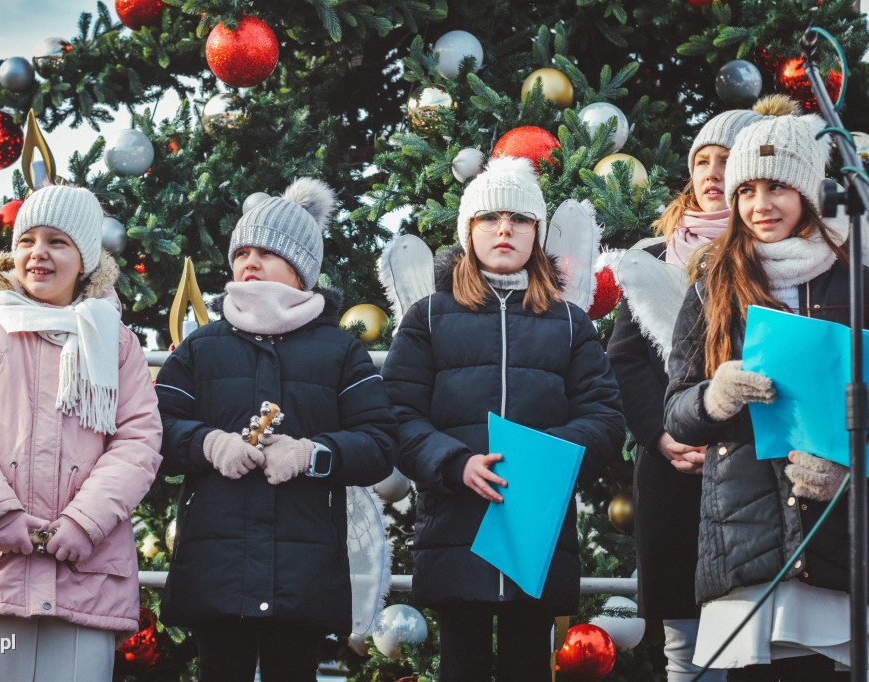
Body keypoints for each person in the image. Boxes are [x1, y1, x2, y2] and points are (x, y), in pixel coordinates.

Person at [380, 157, 625, 681]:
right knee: (461, 664)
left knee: (528, 665)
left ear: (537, 232)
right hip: (456, 524)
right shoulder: (428, 317)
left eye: (519, 218)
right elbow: (397, 415)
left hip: (536, 529)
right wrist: (454, 462)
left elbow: (605, 419)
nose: (505, 229)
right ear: (469, 231)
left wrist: (544, 458)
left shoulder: (568, 323)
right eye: (490, 218)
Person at [156, 177, 396, 682]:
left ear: (303, 269)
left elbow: (378, 443)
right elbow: (156, 431)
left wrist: (313, 453)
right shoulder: (202, 348)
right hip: (217, 564)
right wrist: (208, 443)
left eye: (267, 251)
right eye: (242, 250)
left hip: (302, 570)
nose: (250, 261)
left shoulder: (339, 351)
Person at [0, 184, 162, 681]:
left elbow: (138, 443)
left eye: (57, 241)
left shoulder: (117, 345)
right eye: (27, 240)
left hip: (85, 569)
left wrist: (84, 522)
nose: (38, 254)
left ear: (85, 259)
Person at [664, 113, 863, 680]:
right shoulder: (712, 284)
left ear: (806, 188)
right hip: (746, 539)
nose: (760, 205)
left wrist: (849, 472)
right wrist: (715, 397)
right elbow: (676, 411)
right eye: (746, 190)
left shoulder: (854, 281)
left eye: (776, 186)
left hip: (836, 537)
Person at [607, 95, 798, 682]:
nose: (713, 175)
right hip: (674, 469)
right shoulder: (651, 258)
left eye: (727, 162)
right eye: (702, 162)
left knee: (758, 640)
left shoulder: (783, 258)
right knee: (685, 645)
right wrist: (664, 438)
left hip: (756, 468)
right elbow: (625, 363)